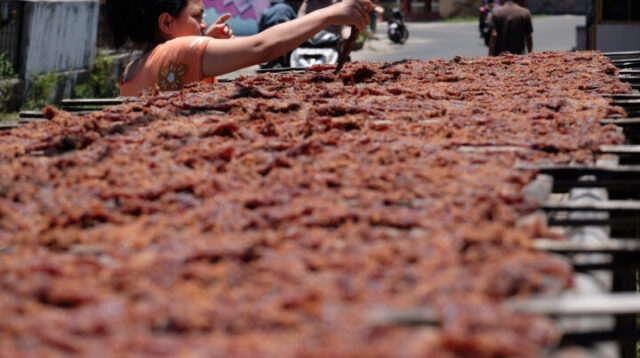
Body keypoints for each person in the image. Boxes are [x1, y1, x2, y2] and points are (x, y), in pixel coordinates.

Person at [107, 0, 374, 96]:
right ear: (167, 22)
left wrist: (202, 45)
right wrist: (331, 14)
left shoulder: (131, 69)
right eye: (197, 16)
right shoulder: (179, 50)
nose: (203, 24)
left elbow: (174, 68)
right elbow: (262, 47)